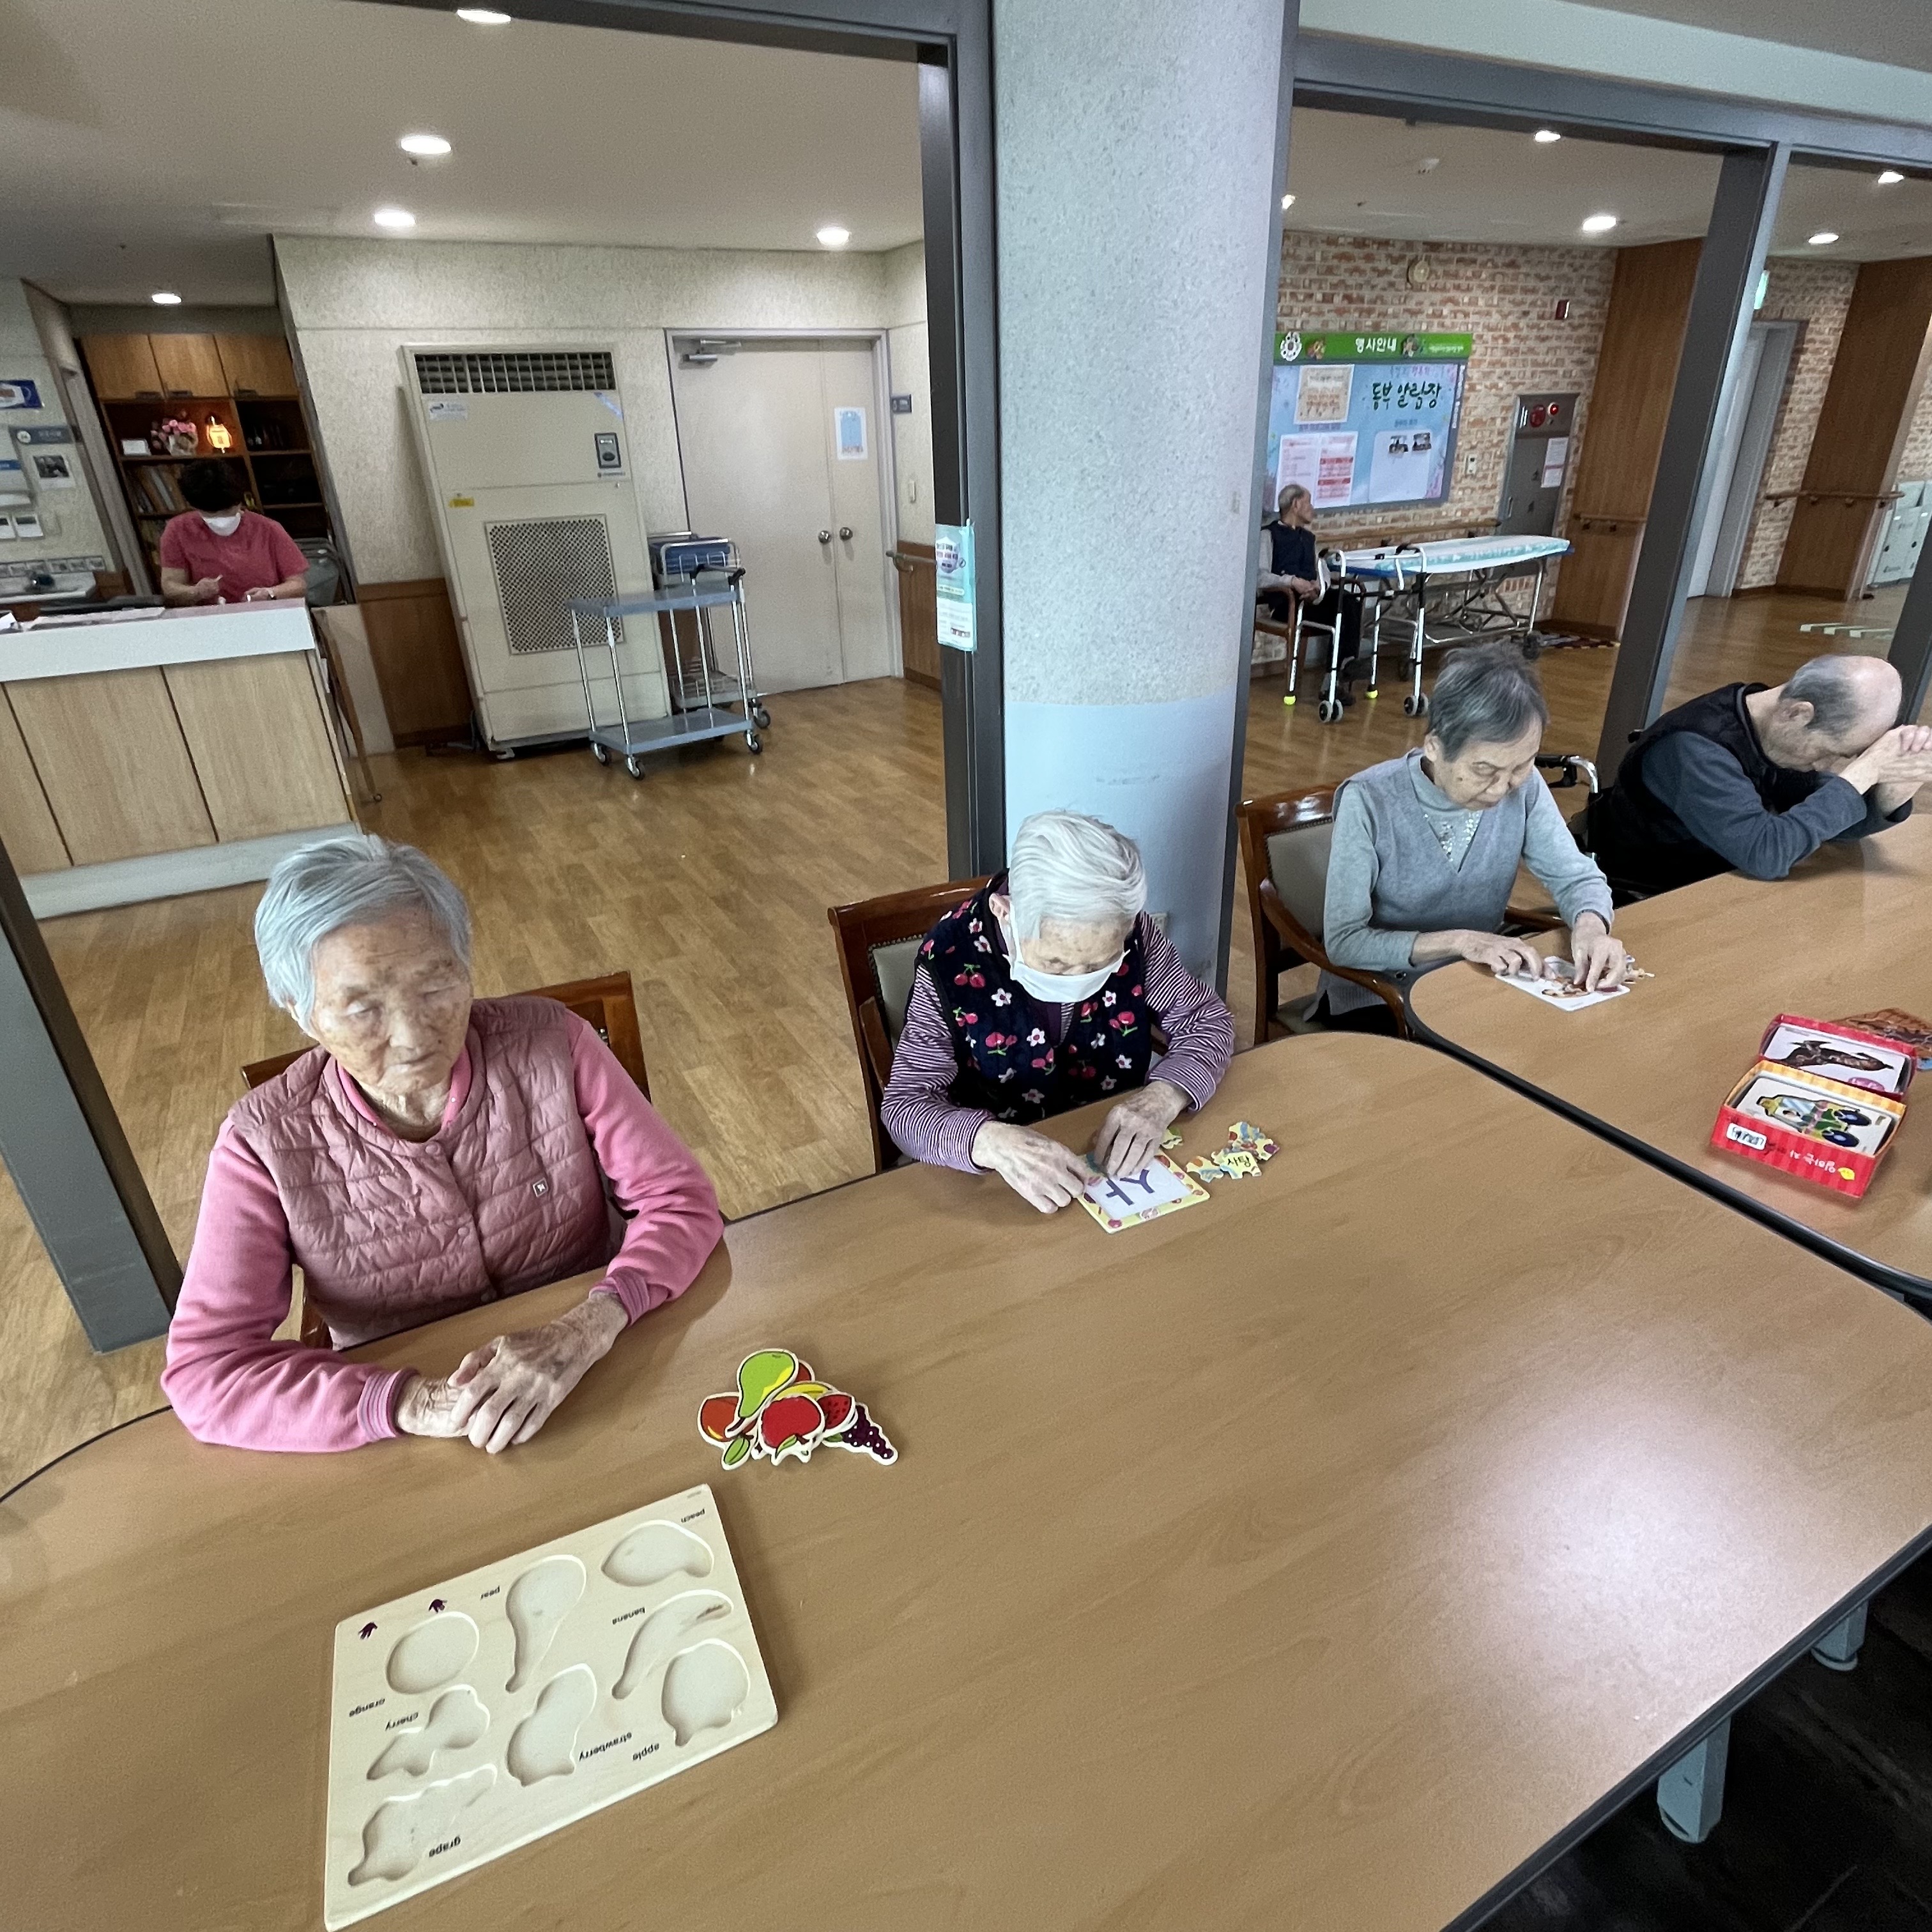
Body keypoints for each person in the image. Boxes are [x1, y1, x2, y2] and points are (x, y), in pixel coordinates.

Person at [162, 834, 723, 1454]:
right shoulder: (261, 1145)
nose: (412, 1037)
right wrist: (415, 1402)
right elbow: (207, 1373)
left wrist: (589, 1325)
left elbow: (681, 1202)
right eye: (363, 1008)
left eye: (435, 988)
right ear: (302, 1011)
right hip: (415, 1433)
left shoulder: (555, 1045)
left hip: (603, 1368)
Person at [881, 809, 1234, 1214]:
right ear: (1005, 913)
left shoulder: (1134, 933)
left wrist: (1165, 1095)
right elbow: (906, 1105)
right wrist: (988, 1141)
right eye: (1056, 964)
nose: (1081, 980)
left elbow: (1207, 1020)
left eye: (1101, 963)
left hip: (1107, 1146)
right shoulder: (949, 959)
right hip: (1003, 1178)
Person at [1321, 640, 1624, 1032]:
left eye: (1521, 765)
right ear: (1435, 747)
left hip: (1474, 983)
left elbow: (1577, 878)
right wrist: (1463, 941)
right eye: (1484, 770)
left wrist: (1591, 929)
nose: (1502, 789)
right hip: (1380, 995)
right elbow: (1345, 942)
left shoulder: (1525, 787)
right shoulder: (1368, 800)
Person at [1579, 655, 1932, 901]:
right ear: (1798, 713)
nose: (1826, 766)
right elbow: (1766, 854)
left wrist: (1893, 791)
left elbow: (1827, 824)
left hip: (1725, 883)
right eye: (1831, 751)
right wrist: (1865, 771)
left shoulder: (1774, 728)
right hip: (1650, 897)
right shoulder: (1695, 749)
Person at [1259, 481, 1363, 699]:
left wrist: (1318, 586)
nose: (1312, 509)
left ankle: (1339, 673)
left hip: (1312, 600)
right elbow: (1260, 576)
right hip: (1287, 604)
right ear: (1296, 504)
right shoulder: (1268, 535)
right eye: (1308, 503)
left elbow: (1321, 570)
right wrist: (1292, 581)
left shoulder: (1308, 539)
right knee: (1342, 609)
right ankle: (1336, 676)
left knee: (1348, 602)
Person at [158, 459, 309, 606]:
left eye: (228, 511)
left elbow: (298, 584)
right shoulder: (178, 530)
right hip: (210, 616)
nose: (221, 519)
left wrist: (270, 593)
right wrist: (195, 592)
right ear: (194, 507)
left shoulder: (268, 529)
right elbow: (170, 586)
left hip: (266, 612)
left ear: (240, 502)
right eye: (212, 515)